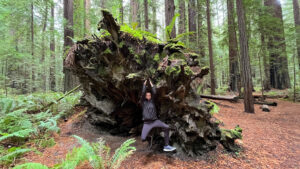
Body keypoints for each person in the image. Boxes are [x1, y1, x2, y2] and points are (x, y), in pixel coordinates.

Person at [140, 78, 176, 152]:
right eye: (147, 95)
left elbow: (154, 92)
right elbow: (143, 93)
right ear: (145, 96)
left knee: (167, 127)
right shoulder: (143, 102)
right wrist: (145, 84)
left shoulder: (152, 101)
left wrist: (151, 83)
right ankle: (150, 138)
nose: (148, 96)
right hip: (147, 123)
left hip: (155, 121)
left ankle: (166, 146)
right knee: (143, 138)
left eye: (149, 95)